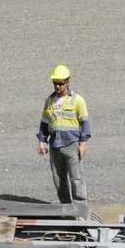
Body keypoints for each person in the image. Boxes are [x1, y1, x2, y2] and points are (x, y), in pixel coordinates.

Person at [37, 64, 91, 206]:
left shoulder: (77, 100)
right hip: (55, 146)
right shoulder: (49, 101)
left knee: (76, 178)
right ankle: (66, 208)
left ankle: (80, 209)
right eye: (55, 83)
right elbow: (44, 123)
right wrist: (42, 141)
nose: (57, 87)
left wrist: (83, 142)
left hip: (72, 145)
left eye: (60, 84)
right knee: (59, 179)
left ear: (68, 82)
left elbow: (85, 122)